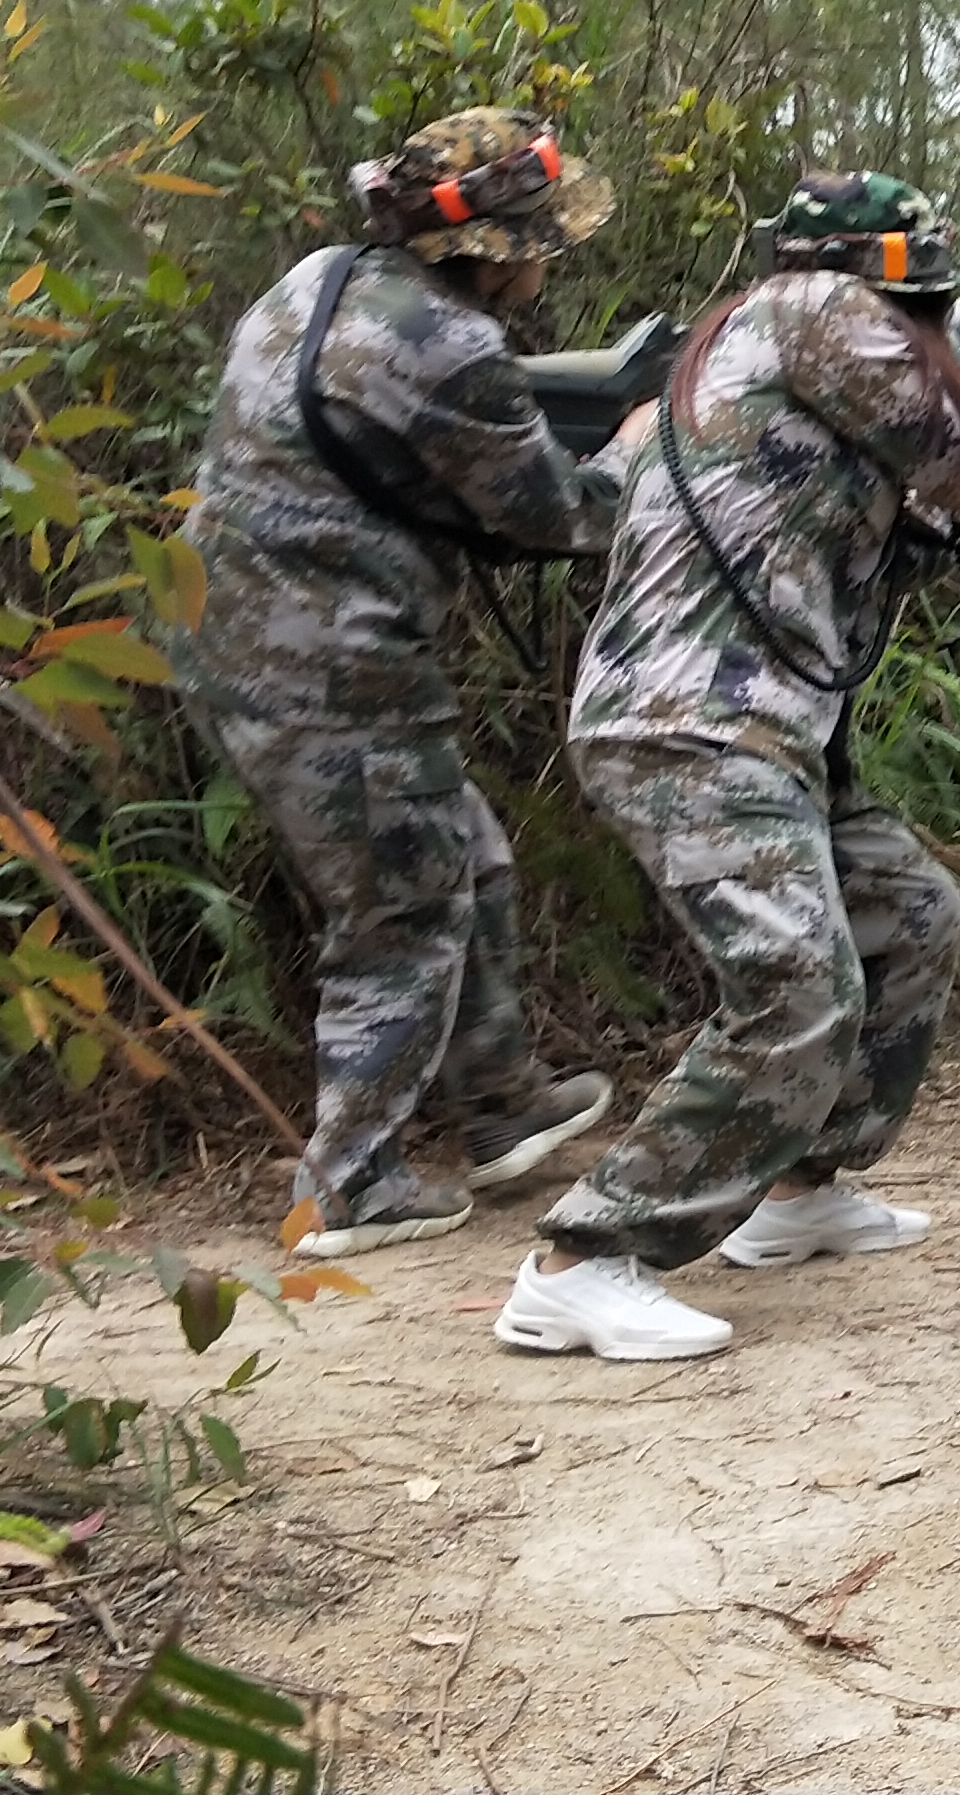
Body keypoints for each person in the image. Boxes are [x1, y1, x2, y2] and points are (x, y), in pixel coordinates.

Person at [494, 171, 960, 1361]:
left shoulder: (792, 378)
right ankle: (585, 1259)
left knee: (911, 914)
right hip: (691, 719)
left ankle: (802, 1191)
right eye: (921, 313)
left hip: (774, 724)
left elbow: (897, 540)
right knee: (798, 988)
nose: (926, 335)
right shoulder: (808, 311)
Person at [169, 107, 629, 1261]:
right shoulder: (453, 345)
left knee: (467, 854)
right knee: (402, 912)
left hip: (231, 638)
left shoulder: (319, 281)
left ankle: (500, 1101)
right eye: (541, 242)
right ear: (499, 250)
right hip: (326, 669)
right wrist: (636, 449)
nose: (546, 262)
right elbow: (558, 517)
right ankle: (350, 1183)